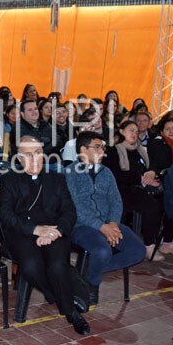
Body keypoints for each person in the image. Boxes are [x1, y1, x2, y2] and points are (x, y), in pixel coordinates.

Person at [0, 136, 89, 335]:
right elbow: (6, 215)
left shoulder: (56, 178)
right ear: (19, 159)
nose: (35, 159)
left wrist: (55, 231)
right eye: (28, 155)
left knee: (57, 265)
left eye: (38, 153)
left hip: (54, 232)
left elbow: (69, 212)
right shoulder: (9, 180)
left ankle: (71, 313)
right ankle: (58, 294)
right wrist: (35, 230)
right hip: (24, 233)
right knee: (30, 267)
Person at [65, 131, 144, 306]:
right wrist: (101, 227)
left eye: (103, 147)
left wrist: (113, 223)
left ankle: (89, 274)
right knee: (102, 251)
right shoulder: (70, 173)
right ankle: (93, 285)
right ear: (83, 150)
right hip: (81, 226)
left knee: (138, 250)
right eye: (98, 147)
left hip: (109, 223)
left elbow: (116, 200)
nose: (103, 151)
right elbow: (76, 207)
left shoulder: (106, 172)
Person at [105, 121, 167, 260]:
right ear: (121, 131)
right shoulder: (113, 151)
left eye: (136, 131)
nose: (134, 134)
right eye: (130, 130)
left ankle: (151, 244)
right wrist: (141, 178)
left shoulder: (140, 151)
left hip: (138, 188)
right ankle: (147, 244)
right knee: (148, 203)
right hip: (119, 190)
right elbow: (115, 175)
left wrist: (150, 173)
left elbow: (150, 166)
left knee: (157, 202)